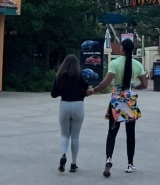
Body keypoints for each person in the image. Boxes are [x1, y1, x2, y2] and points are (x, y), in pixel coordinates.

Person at [90, 38, 147, 176]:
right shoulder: (137, 64)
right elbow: (145, 84)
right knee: (130, 133)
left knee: (112, 132)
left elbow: (106, 83)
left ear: (122, 49)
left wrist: (93, 90)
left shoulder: (114, 63)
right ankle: (130, 164)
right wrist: (133, 87)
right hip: (130, 99)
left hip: (116, 99)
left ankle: (109, 159)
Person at [51, 54, 91, 172]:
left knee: (64, 135)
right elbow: (85, 87)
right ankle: (73, 163)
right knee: (75, 136)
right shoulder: (79, 75)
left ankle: (63, 155)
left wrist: (63, 90)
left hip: (64, 105)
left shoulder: (59, 75)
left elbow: (53, 94)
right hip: (78, 105)